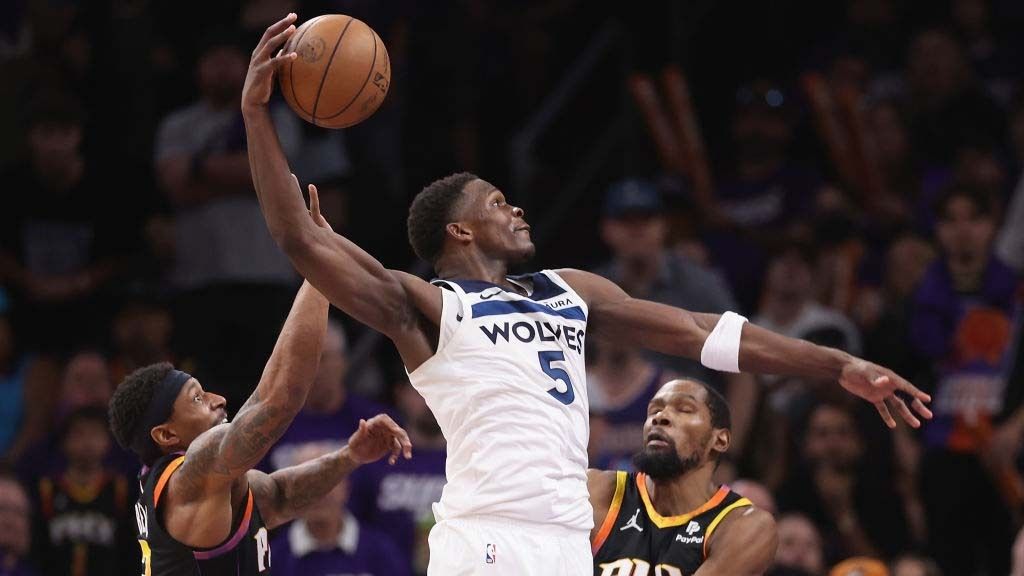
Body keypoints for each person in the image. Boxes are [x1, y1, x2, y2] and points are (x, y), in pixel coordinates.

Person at [242, 14, 931, 575]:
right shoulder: (427, 306)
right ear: (458, 229)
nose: (516, 212)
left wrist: (836, 365)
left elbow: (699, 330)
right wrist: (256, 114)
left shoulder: (569, 291)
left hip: (570, 540)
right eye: (497, 202)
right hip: (486, 537)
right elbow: (299, 238)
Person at [107, 279, 412, 575]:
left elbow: (280, 497)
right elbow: (275, 402)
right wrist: (318, 273)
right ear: (166, 434)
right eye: (197, 398)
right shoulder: (191, 475)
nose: (218, 399)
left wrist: (349, 457)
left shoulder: (200, 486)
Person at [589, 379, 776, 574]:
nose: (660, 417)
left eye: (685, 409)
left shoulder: (742, 524)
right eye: (653, 411)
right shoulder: (599, 491)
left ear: (720, 440)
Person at [271, 446, 410, 576]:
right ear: (291, 493)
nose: (319, 492)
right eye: (306, 483)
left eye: (328, 480)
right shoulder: (273, 559)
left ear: (346, 486)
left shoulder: (383, 554)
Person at [30, 407, 135, 576]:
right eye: (79, 434)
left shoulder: (121, 489)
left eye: (95, 434)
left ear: (107, 441)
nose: (88, 442)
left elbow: (129, 550)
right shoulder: (46, 489)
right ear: (64, 442)